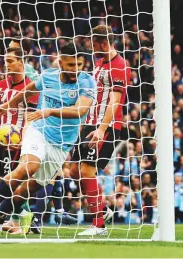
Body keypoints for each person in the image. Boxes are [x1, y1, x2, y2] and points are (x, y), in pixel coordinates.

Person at [0, 42, 96, 238]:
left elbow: (79, 110)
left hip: (61, 143)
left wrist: (49, 110)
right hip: (39, 131)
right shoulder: (48, 75)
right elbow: (28, 90)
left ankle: (1, 213)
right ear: (60, 61)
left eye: (79, 65)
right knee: (27, 167)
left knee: (30, 188)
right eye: (70, 65)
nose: (75, 70)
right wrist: (6, 105)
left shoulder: (86, 82)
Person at [70, 25, 131, 236]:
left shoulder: (119, 65)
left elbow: (115, 102)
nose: (91, 47)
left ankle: (98, 225)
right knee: (74, 171)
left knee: (87, 171)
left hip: (105, 127)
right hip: (89, 124)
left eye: (93, 43)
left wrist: (101, 129)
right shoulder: (97, 64)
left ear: (103, 43)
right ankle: (102, 210)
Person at [0, 47, 38, 234]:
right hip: (0, 140)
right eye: (5, 61)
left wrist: (23, 139)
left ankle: (20, 217)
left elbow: (31, 117)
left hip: (16, 143)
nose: (6, 65)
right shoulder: (1, 85)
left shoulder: (31, 86)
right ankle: (20, 215)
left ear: (21, 62)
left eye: (11, 61)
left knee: (11, 182)